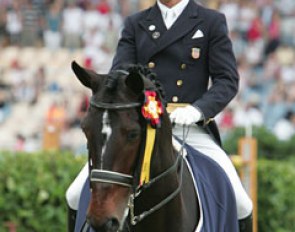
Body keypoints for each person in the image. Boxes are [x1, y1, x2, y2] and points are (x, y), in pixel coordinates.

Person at [66, 0, 253, 231]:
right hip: (138, 129)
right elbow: (119, 76)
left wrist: (197, 110)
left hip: (189, 127)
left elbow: (227, 80)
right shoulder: (136, 23)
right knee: (74, 194)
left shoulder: (210, 22)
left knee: (242, 201)